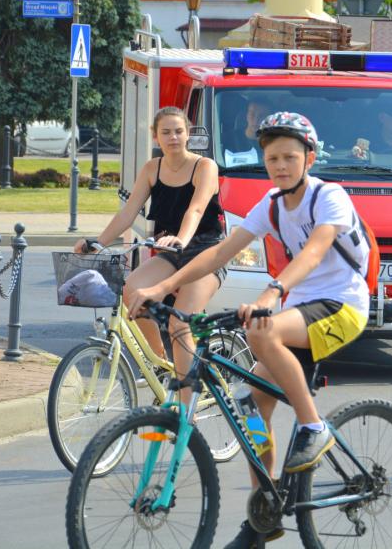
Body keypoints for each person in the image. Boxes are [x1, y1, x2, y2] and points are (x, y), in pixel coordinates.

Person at [127, 112, 370, 548]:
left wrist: (272, 292)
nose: (280, 166)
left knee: (262, 333)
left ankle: (313, 427)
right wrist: (163, 287)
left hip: (343, 306)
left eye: (290, 157)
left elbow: (315, 251)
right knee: (250, 404)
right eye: (272, 158)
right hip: (300, 310)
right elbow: (221, 253)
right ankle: (265, 509)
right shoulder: (272, 204)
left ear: (309, 158)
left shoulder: (327, 196)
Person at [74, 106, 225, 369]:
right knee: (133, 292)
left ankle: (186, 389)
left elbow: (196, 209)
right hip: (172, 253)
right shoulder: (151, 169)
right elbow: (128, 213)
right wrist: (97, 242)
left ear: (188, 134)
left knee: (179, 322)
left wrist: (181, 239)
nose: (173, 137)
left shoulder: (205, 166)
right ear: (156, 136)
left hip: (206, 253)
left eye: (178, 131)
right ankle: (161, 363)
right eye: (166, 132)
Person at [223, 98, 274, 167]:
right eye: (252, 114)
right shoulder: (228, 139)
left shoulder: (274, 143)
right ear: (246, 115)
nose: (256, 119)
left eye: (261, 115)